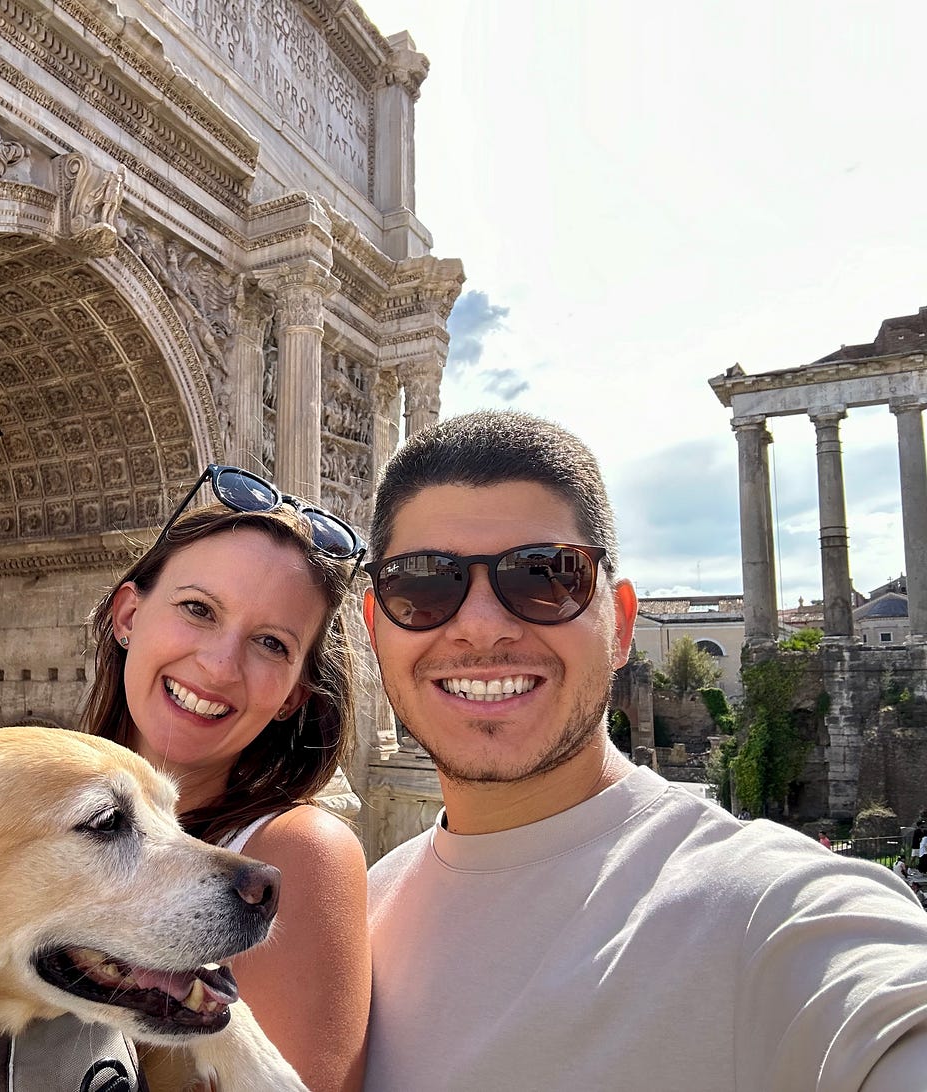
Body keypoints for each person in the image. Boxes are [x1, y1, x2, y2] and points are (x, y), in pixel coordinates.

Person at [362, 410, 927, 1091]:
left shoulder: (775, 911)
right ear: (375, 627)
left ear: (621, 625)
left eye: (545, 576)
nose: (482, 626)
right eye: (423, 584)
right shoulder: (358, 913)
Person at [80, 464, 370, 1092]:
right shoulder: (25, 793)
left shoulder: (297, 857)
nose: (218, 666)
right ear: (128, 614)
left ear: (294, 694)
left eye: (271, 643)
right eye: (198, 609)